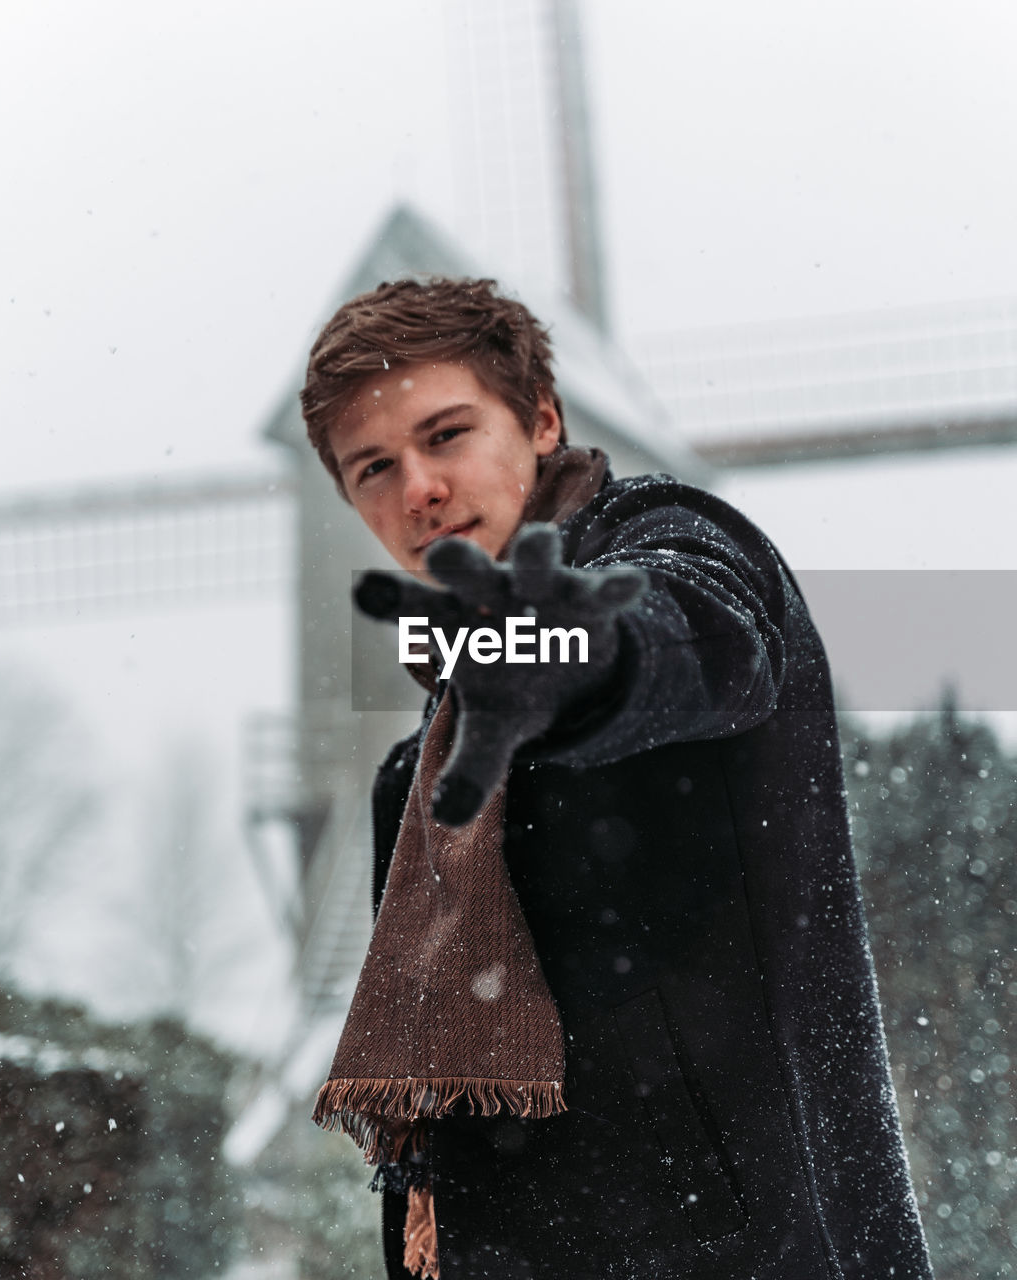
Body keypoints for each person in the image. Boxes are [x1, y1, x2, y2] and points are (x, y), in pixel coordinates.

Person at [299, 277, 935, 1280]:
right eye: (373, 465)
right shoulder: (419, 764)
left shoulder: (674, 545)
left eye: (447, 434)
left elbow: (679, 639)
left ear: (541, 419)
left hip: (736, 1247)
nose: (415, 485)